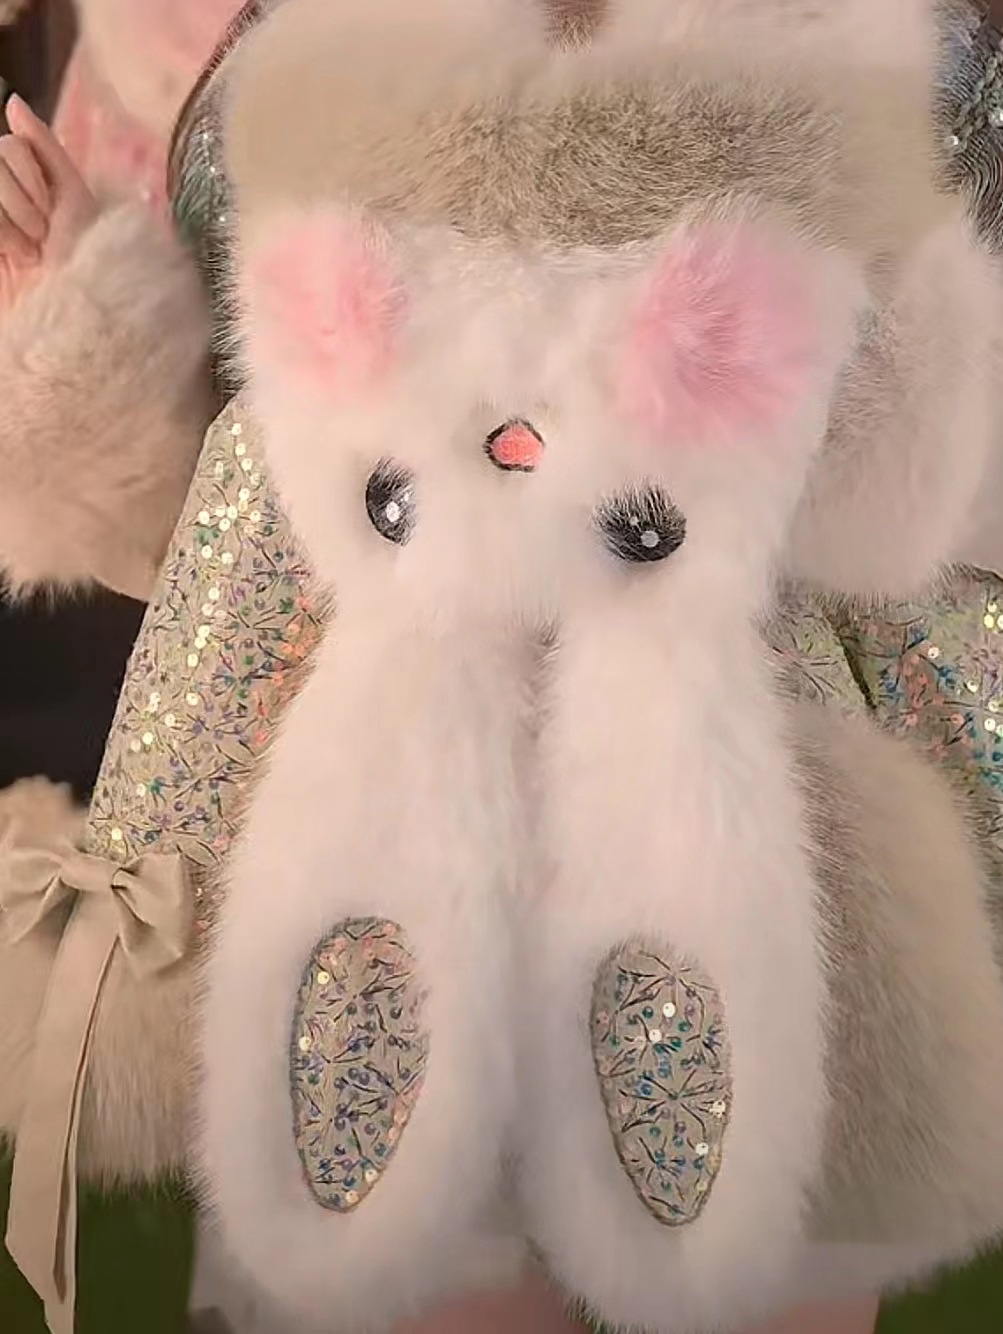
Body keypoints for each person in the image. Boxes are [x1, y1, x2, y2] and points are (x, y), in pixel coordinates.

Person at [1, 3, 1002, 1333]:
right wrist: (93, 320)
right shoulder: (323, 56)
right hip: (397, 865)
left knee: (762, 1232)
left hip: (766, 855)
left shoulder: (883, 58)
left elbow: (921, 517)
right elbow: (253, 499)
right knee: (423, 1239)